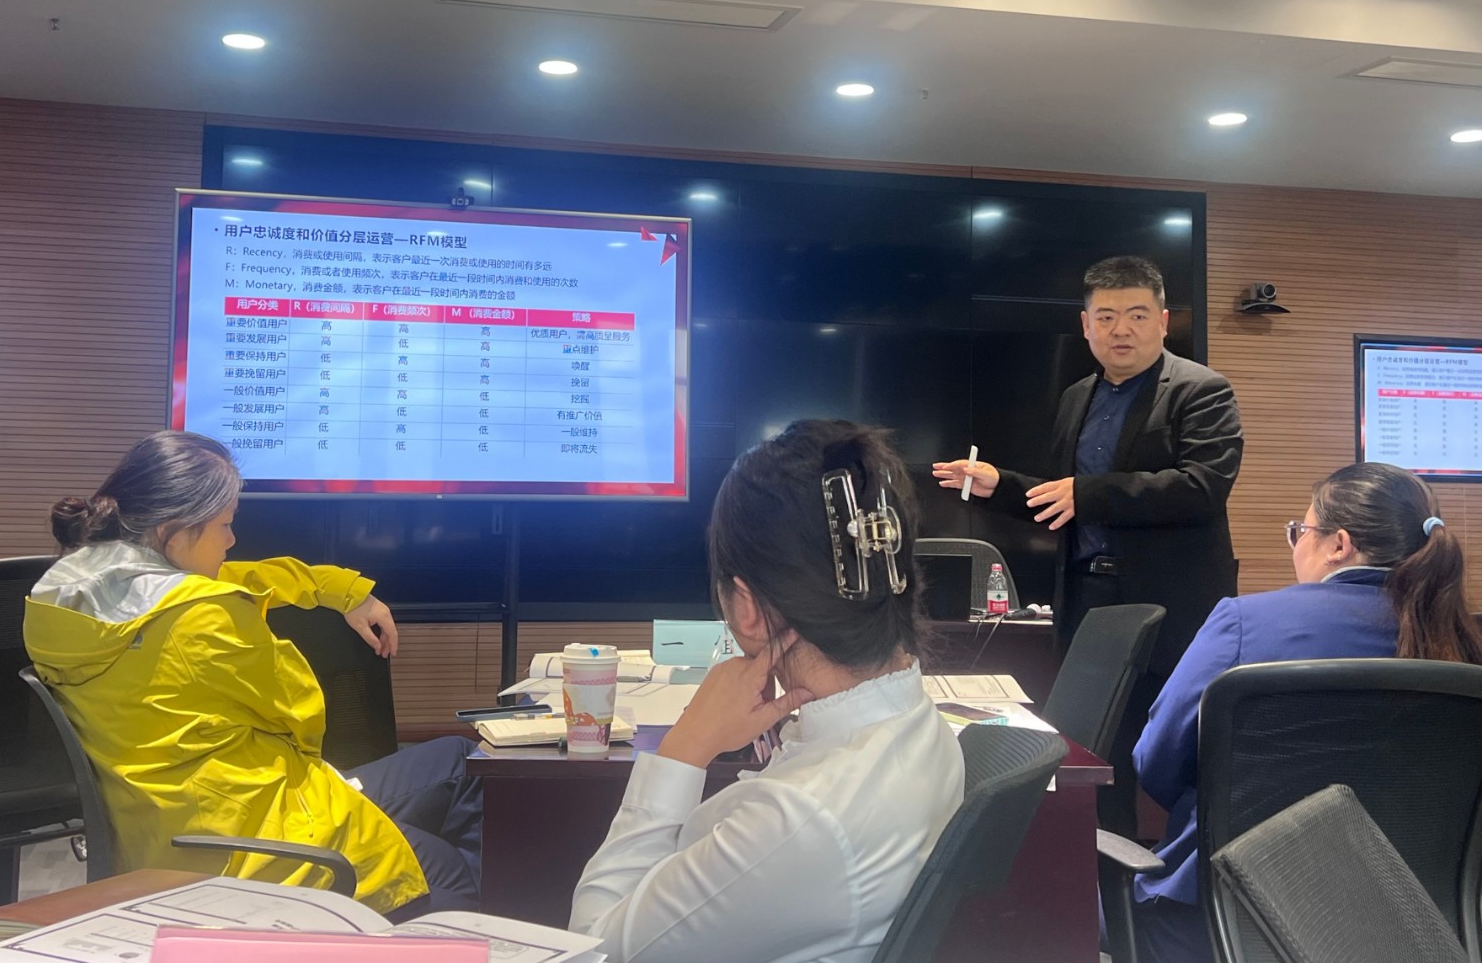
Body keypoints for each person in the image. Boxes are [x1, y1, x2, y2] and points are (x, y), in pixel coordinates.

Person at [23, 430, 482, 916]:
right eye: (224, 525)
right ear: (173, 531)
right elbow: (300, 721)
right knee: (455, 858)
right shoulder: (204, 617)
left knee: (457, 759)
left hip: (163, 832)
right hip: (261, 843)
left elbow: (232, 577)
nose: (232, 540)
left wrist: (335, 588)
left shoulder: (61, 601)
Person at [569, 420, 965, 963]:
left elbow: (593, 949)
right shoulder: (917, 721)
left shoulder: (798, 818)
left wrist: (684, 748)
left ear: (748, 608)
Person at [1127, 461, 1482, 963]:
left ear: (1339, 545)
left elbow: (1156, 763)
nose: (1294, 545)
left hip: (1221, 919)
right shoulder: (1462, 645)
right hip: (1408, 927)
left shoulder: (1244, 622)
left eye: (1300, 531)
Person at [933, 255, 1242, 829]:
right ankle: (1105, 874)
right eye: (1106, 317)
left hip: (1169, 607)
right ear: (1085, 325)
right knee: (1098, 757)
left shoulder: (1201, 390)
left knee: (1183, 759)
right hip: (1087, 602)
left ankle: (1187, 875)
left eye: (1136, 315)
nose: (1120, 329)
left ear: (1163, 321)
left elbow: (1202, 486)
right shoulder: (1078, 396)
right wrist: (1002, 486)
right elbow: (1065, 496)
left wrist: (1087, 494)